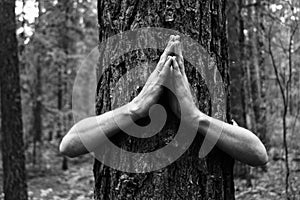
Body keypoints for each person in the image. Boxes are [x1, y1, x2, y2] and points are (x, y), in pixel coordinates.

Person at [59, 35, 268, 167]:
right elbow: (69, 145)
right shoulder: (122, 113)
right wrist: (135, 108)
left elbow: (258, 154)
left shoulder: (218, 110)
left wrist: (195, 117)